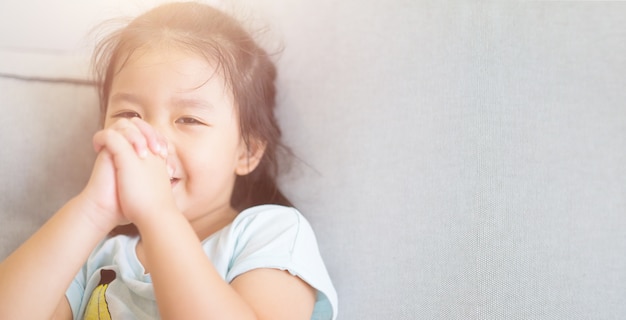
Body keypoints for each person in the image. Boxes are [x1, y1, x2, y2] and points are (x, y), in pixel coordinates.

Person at [0, 2, 337, 319]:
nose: (154, 141)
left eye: (188, 119)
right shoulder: (94, 253)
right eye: (129, 115)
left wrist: (158, 215)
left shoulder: (270, 233)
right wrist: (91, 212)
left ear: (246, 151)